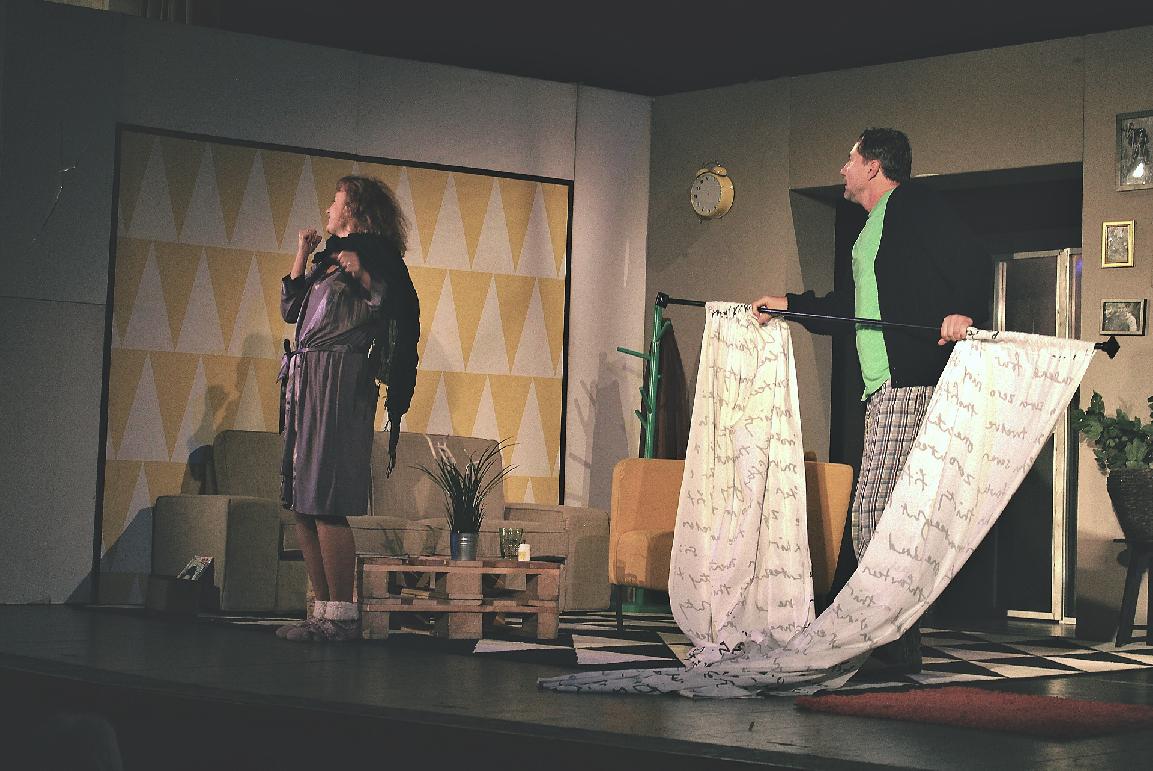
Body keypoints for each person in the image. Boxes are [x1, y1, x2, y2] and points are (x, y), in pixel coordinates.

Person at [752, 128, 992, 672]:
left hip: (912, 382)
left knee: (876, 513)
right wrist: (789, 305)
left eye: (851, 158)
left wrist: (963, 311)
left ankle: (891, 638)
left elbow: (973, 260)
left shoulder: (913, 205)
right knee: (876, 514)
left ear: (875, 167)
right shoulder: (869, 231)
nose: (843, 168)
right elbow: (852, 310)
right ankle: (892, 639)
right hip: (882, 388)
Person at [276, 175, 420, 642]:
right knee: (301, 502)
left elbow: (393, 307)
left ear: (355, 210)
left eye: (335, 202)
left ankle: (341, 616)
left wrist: (361, 274)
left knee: (325, 499)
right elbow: (290, 309)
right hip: (306, 380)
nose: (327, 209)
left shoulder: (374, 260)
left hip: (339, 382)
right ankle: (321, 612)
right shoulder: (327, 262)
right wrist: (303, 253)